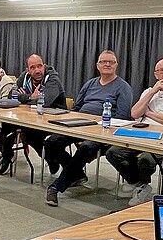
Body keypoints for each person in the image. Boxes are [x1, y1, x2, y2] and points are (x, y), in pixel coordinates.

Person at [44, 50, 134, 206]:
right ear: (97, 65)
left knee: (85, 148)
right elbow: (77, 107)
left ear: (116, 65)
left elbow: (122, 117)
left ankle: (57, 187)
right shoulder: (90, 84)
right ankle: (77, 174)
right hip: (79, 124)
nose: (107, 64)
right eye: (103, 62)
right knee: (51, 142)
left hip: (103, 130)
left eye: (111, 62)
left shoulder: (123, 87)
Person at [105, 58, 163, 206]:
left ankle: (141, 185)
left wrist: (149, 113)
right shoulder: (149, 91)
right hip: (141, 133)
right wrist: (153, 91)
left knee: (146, 159)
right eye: (161, 70)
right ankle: (139, 183)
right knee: (113, 153)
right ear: (156, 74)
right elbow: (134, 113)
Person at [0, 54, 66, 171]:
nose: (37, 70)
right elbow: (11, 95)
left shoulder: (53, 79)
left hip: (53, 119)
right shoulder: (24, 77)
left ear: (44, 66)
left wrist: (22, 97)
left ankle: (50, 159)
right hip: (30, 116)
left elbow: (45, 101)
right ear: (28, 70)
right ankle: (7, 157)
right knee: (6, 127)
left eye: (40, 66)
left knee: (31, 133)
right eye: (33, 68)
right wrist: (30, 97)